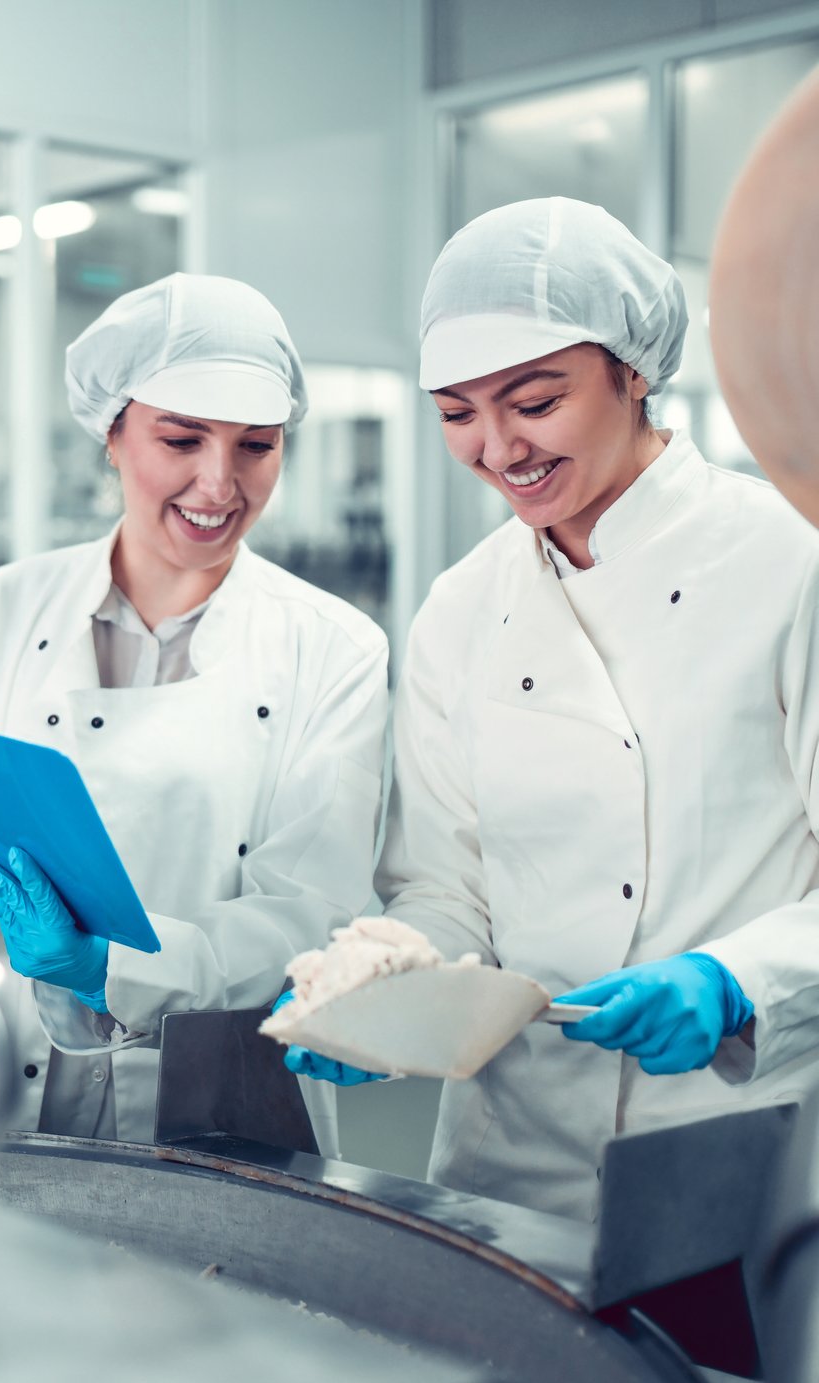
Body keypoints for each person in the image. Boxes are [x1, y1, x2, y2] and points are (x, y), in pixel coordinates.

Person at [286, 197, 819, 1222]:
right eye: (455, 413)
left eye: (533, 401)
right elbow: (446, 889)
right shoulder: (461, 605)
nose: (496, 447)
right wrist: (379, 990)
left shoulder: (787, 562)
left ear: (632, 370)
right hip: (509, 1155)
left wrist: (737, 978)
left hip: (733, 1139)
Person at [0, 272, 389, 1150]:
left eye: (256, 447)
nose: (219, 485)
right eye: (181, 439)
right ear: (111, 434)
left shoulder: (333, 645)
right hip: (7, 1076)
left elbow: (313, 915)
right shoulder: (7, 608)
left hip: (221, 1090)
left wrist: (111, 965)